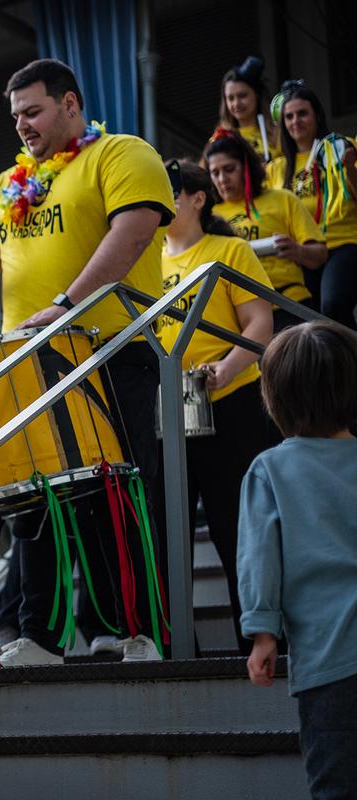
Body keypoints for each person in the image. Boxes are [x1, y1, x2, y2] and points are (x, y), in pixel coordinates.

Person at [0, 58, 174, 666]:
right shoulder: (3, 184)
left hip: (111, 347)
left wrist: (67, 306)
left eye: (34, 111)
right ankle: (40, 639)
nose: (22, 124)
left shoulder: (122, 154)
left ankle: (135, 630)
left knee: (119, 492)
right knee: (36, 499)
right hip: (30, 362)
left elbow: (135, 230)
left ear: (70, 104)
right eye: (15, 114)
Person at [161, 159, 276, 652]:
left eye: (167, 193)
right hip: (168, 414)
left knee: (237, 532)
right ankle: (178, 649)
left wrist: (226, 368)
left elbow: (259, 321)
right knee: (169, 538)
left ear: (196, 198)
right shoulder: (146, 262)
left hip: (231, 406)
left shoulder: (227, 250)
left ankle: (259, 641)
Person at [238, 321, 357, 798]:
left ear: (275, 399)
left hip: (330, 663)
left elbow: (259, 557)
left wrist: (263, 633)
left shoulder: (269, 470)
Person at [204, 129, 325, 330]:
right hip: (239, 315)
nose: (222, 179)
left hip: (289, 304)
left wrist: (297, 250)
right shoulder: (209, 215)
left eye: (229, 169)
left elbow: (320, 255)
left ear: (246, 167)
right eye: (215, 173)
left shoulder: (283, 199)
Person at [268, 81, 357, 328]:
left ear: (316, 114)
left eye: (302, 113)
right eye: (289, 116)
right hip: (301, 252)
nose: (295, 121)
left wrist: (349, 168)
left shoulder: (342, 146)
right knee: (310, 320)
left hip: (342, 242)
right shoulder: (276, 169)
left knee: (333, 306)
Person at [217, 56, 279, 162]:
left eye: (242, 95)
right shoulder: (219, 138)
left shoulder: (277, 134)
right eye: (230, 98)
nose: (236, 103)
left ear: (257, 95)